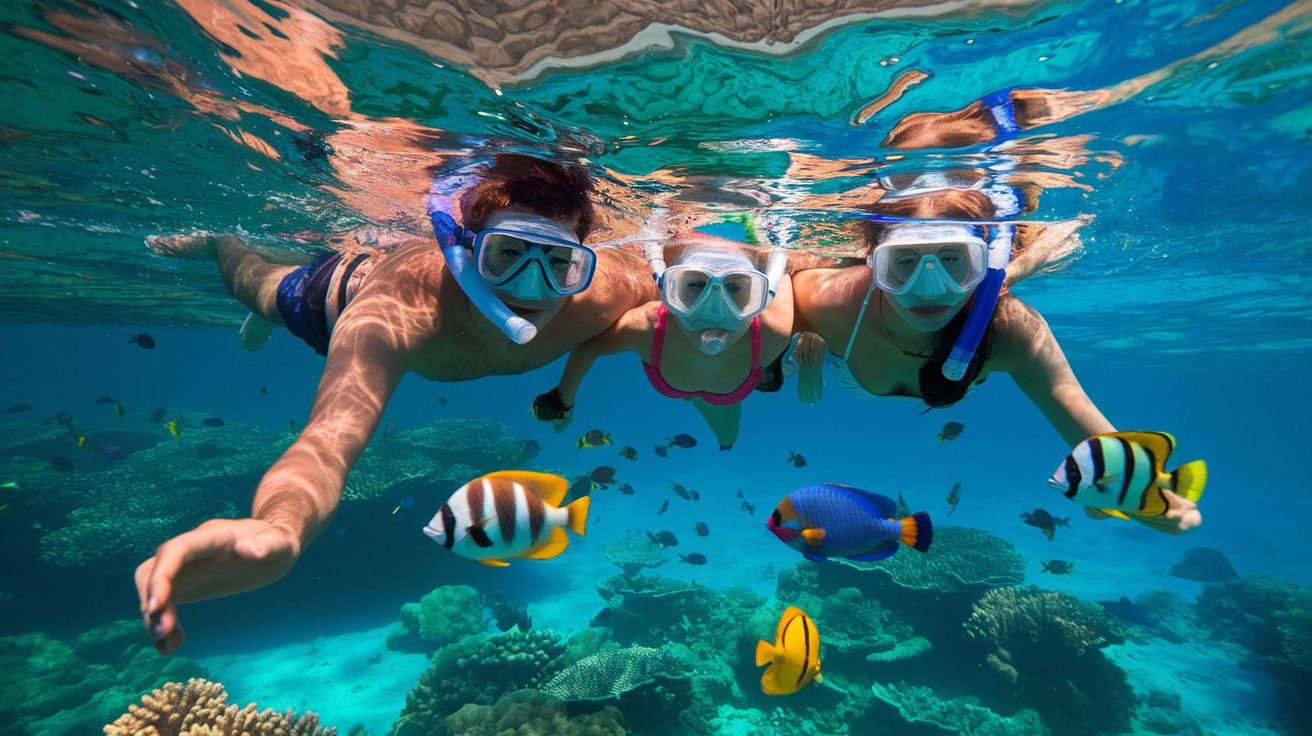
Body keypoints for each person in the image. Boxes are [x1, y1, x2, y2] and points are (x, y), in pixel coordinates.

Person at [134, 154, 656, 655]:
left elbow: (680, 269)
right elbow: (325, 443)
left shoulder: (607, 293)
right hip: (338, 296)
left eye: (558, 262)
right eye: (508, 253)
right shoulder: (398, 318)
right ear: (464, 250)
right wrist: (282, 525)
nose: (529, 289)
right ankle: (223, 244)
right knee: (260, 288)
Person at [788, 189, 1201, 534]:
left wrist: (1142, 491)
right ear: (874, 263)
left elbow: (1070, 401)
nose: (930, 290)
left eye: (953, 261)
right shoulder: (831, 302)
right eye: (904, 263)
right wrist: (808, 335)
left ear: (982, 263)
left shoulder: (1009, 329)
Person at [531, 225, 793, 450]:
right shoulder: (647, 326)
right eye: (695, 285)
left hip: (723, 394)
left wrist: (809, 338)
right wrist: (563, 400)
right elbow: (590, 348)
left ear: (760, 295)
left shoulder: (773, 333)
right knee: (724, 427)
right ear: (668, 290)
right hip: (725, 386)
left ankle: (720, 436)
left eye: (735, 287)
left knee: (727, 437)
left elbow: (788, 277)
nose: (714, 310)